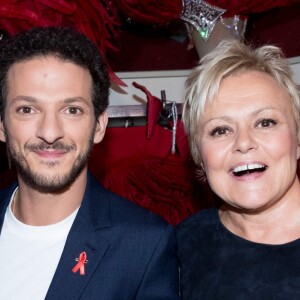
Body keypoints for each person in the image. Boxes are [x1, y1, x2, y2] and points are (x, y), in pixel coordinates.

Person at [0, 26, 179, 300]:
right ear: (2, 125)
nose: (50, 132)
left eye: (72, 110)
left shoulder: (144, 245)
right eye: (27, 109)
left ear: (99, 125)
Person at [176, 39, 300, 299]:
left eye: (265, 122)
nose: (243, 143)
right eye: (220, 130)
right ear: (199, 155)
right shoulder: (181, 246)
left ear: (297, 140)